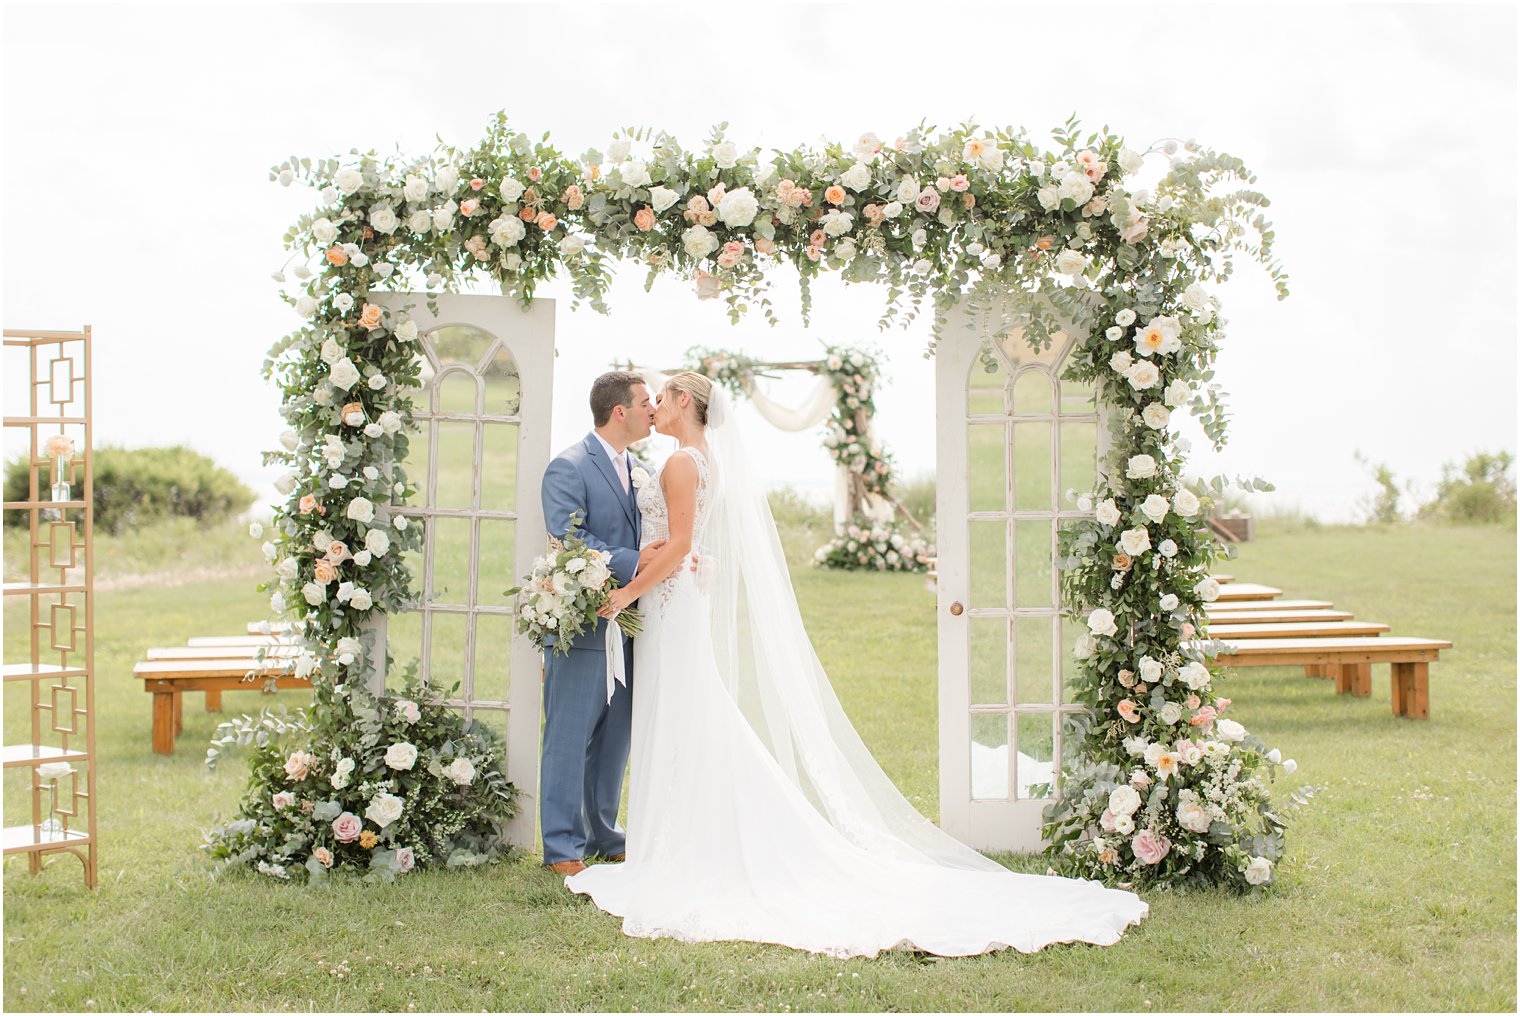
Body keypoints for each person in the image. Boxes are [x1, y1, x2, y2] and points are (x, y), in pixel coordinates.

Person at [569, 370, 1149, 958]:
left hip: (671, 604)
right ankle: (687, 837)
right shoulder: (700, 459)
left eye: (661, 398)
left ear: (686, 403)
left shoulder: (679, 464)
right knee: (689, 716)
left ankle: (688, 846)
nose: (654, 407)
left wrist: (622, 594)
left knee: (684, 716)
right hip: (678, 603)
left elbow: (681, 546)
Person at [536, 371, 662, 876]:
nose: (653, 410)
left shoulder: (643, 469)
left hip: (632, 623)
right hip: (582, 624)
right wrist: (637, 561)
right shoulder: (568, 467)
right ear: (619, 412)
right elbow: (570, 544)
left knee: (616, 737)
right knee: (569, 736)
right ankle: (562, 848)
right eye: (646, 402)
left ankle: (604, 833)